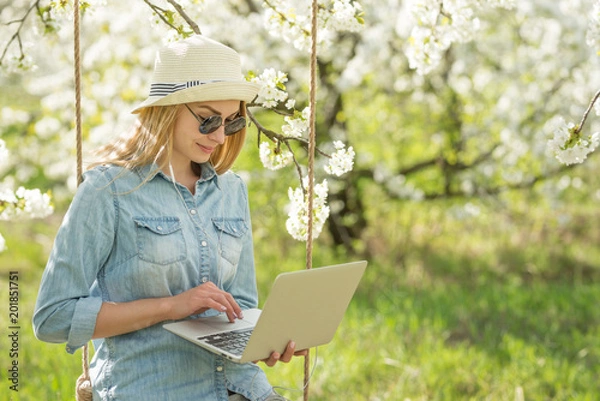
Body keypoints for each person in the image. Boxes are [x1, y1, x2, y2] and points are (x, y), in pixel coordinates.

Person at [33, 35, 306, 401]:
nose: (221, 136)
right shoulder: (108, 189)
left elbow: (239, 305)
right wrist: (171, 307)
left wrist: (266, 341)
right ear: (167, 110)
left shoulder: (231, 191)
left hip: (245, 389)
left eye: (232, 121)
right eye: (208, 120)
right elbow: (53, 317)